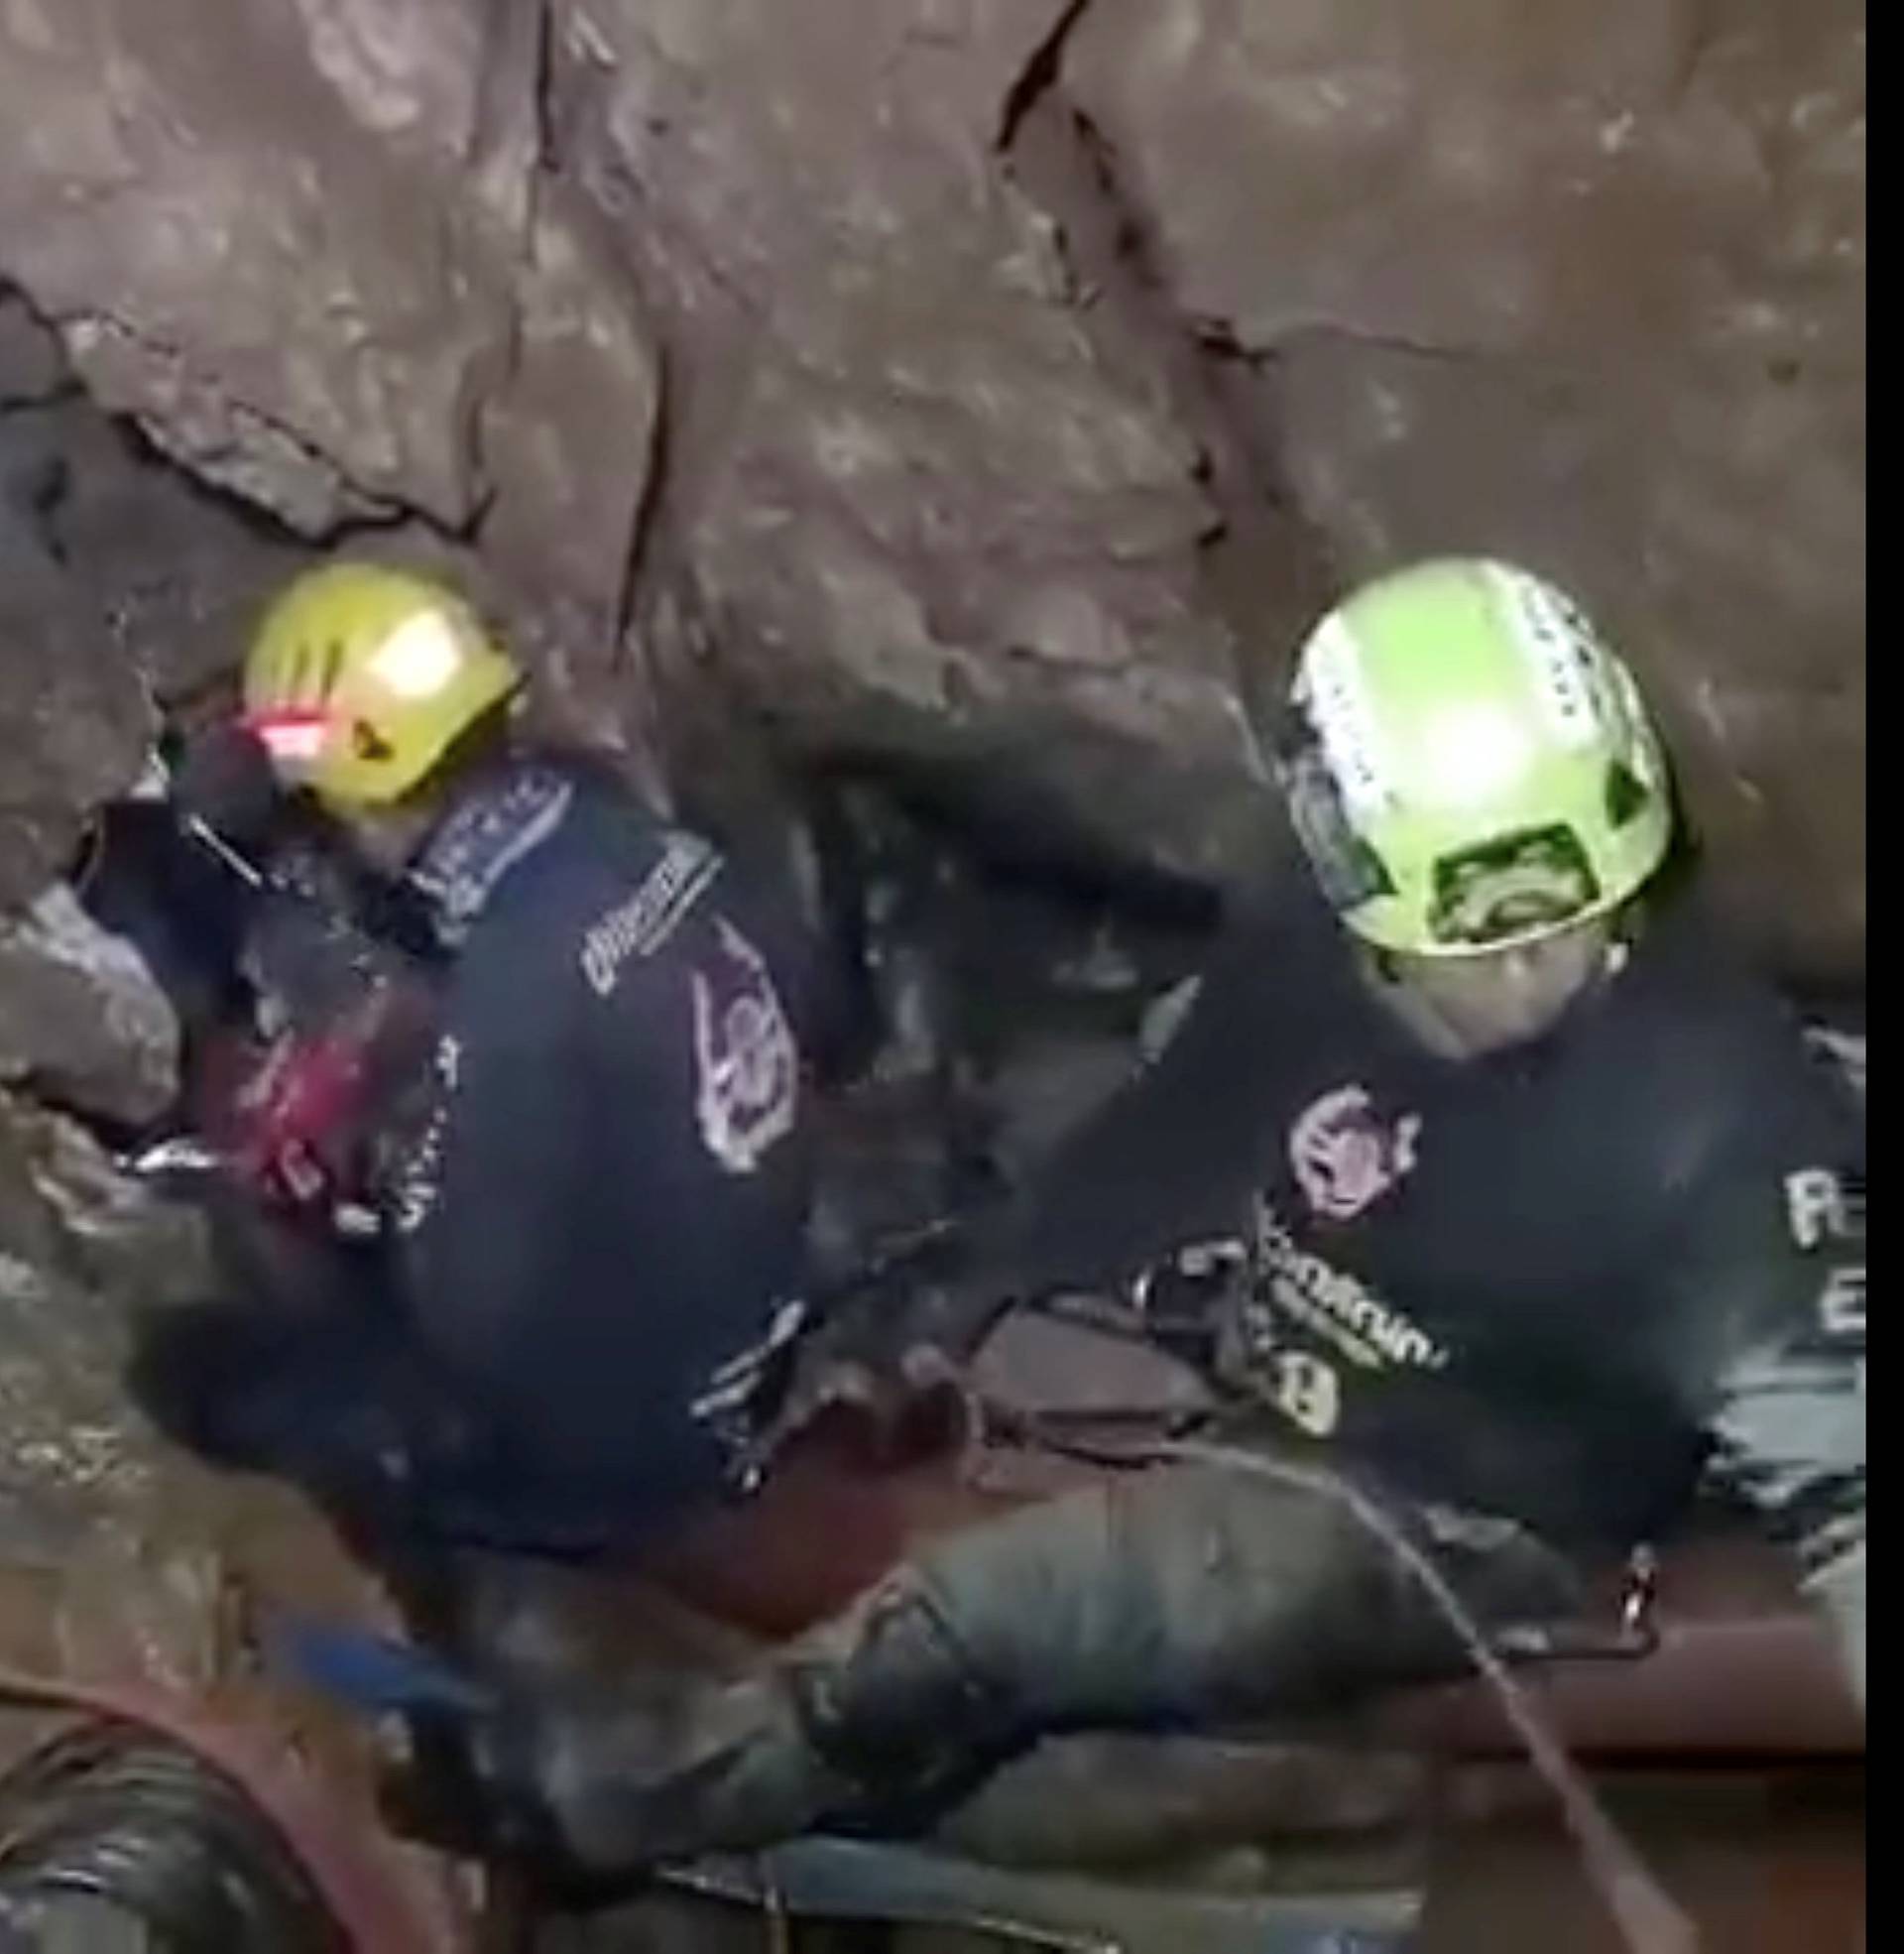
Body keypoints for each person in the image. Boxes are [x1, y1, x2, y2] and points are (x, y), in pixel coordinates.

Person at [459, 557, 1865, 1874]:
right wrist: (950, 1299)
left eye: (1555, 918)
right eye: (1483, 927)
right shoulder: (1324, 940)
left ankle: (631, 1797)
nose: (1529, 959)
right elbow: (1172, 1125)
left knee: (1009, 1613)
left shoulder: (1723, 1128)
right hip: (1294, 1328)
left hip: (1444, 1515)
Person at [133, 560, 833, 1559]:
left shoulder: (517, 988)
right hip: (763, 1311)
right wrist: (393, 1046)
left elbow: (473, 1321)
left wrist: (348, 1183)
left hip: (642, 1450)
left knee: (193, 1370)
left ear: (358, 797)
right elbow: (792, 998)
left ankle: (506, 1563)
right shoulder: (628, 837)